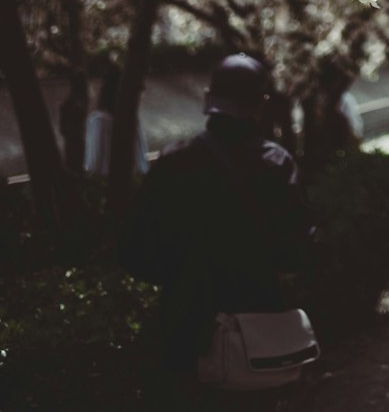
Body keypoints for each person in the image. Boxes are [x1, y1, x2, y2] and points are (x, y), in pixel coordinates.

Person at [119, 53, 312, 378]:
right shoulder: (277, 164)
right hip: (257, 329)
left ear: (209, 99)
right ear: (260, 103)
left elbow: (135, 251)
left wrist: (185, 274)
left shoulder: (174, 162)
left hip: (185, 327)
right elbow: (299, 250)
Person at [84, 62, 149, 176]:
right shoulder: (100, 121)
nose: (140, 101)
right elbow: (141, 162)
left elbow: (93, 163)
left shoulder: (99, 121)